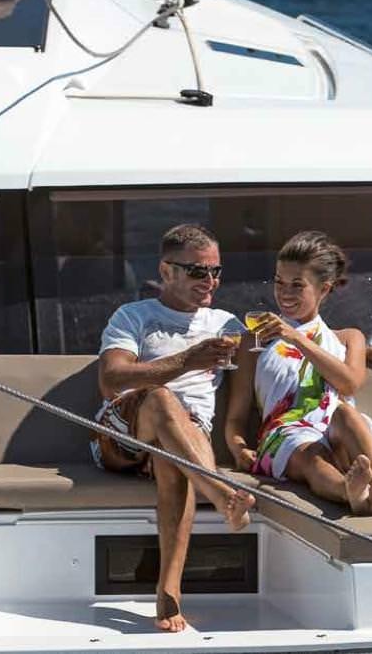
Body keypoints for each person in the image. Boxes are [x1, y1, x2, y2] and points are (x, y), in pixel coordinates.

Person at [92, 223, 255, 633]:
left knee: (175, 456)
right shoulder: (134, 316)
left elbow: (271, 364)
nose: (211, 281)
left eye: (217, 272)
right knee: (164, 399)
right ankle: (219, 493)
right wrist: (188, 360)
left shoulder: (228, 324)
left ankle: (169, 591)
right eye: (199, 271)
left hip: (186, 435)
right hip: (124, 431)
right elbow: (111, 380)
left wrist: (356, 346)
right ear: (167, 272)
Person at [225, 230, 372, 515]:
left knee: (345, 412)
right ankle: (350, 492)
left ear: (324, 289)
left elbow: (350, 384)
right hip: (285, 436)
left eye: (297, 285)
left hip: (341, 434)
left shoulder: (348, 338)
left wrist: (297, 339)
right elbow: (236, 416)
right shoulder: (253, 342)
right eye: (279, 282)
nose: (284, 293)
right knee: (309, 454)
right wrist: (237, 448)